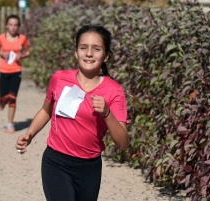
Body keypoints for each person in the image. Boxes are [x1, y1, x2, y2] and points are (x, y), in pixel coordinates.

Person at [15, 25, 129, 201]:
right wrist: (30, 134)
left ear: (106, 56)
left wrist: (107, 113)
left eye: (96, 49)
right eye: (83, 48)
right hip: (56, 162)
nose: (89, 53)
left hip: (89, 168)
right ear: (76, 52)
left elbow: (122, 143)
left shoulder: (114, 91)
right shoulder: (59, 79)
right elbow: (46, 111)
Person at [0, 14, 30, 134]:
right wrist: (2, 54)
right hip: (3, 71)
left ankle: (10, 123)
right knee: (4, 98)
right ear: (6, 25)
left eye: (15, 25)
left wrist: (22, 55)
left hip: (16, 71)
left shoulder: (22, 39)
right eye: (10, 25)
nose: (13, 27)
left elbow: (28, 52)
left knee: (12, 98)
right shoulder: (1, 38)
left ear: (18, 26)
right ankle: (1, 101)